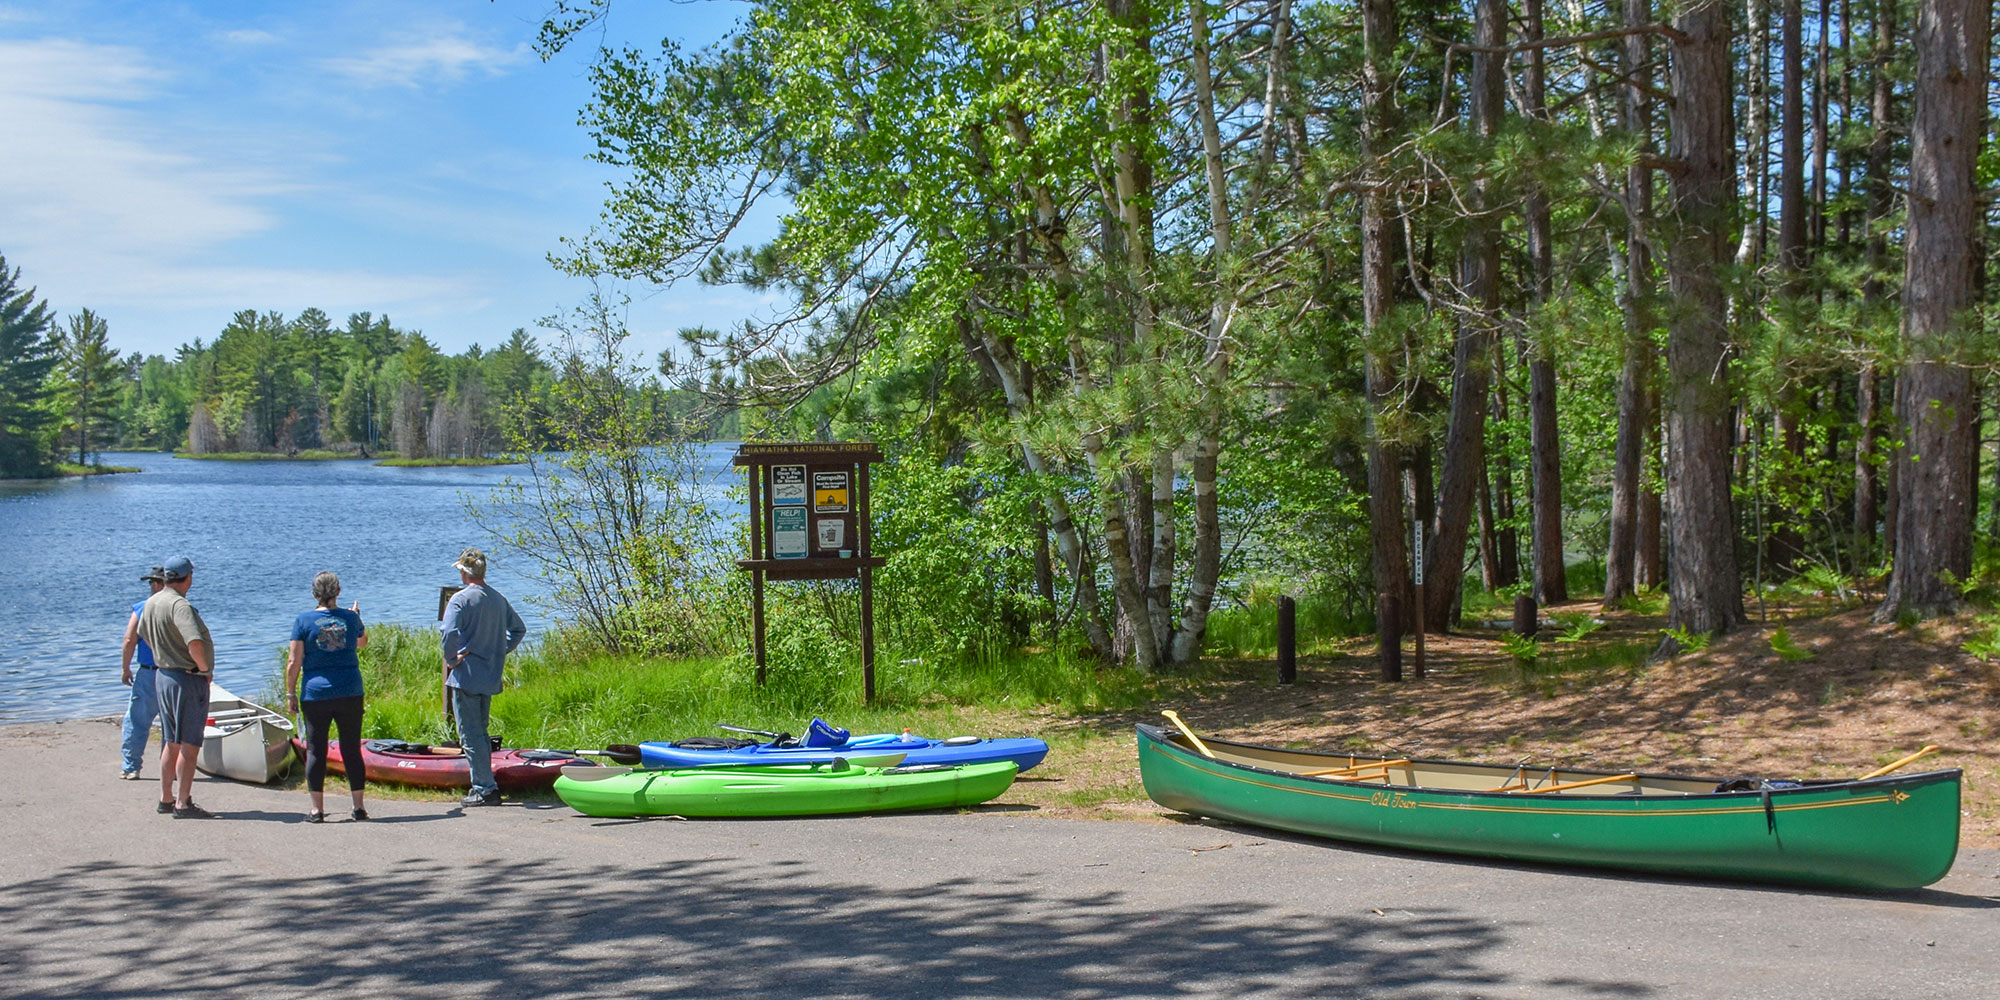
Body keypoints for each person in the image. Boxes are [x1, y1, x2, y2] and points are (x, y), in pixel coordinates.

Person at [440, 548, 526, 807]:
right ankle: (484, 781)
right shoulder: (498, 599)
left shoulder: (460, 600)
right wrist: (500, 650)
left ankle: (484, 788)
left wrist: (452, 659)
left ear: (465, 573)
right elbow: (518, 630)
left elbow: (448, 632)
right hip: (489, 675)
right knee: (481, 730)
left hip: (466, 676)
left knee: (469, 734)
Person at [285, 571, 369, 823]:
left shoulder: (303, 621)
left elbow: (293, 661)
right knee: (351, 749)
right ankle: (358, 807)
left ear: (314, 593)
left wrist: (290, 692)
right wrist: (357, 618)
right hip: (350, 690)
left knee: (316, 749)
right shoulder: (350, 618)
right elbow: (361, 643)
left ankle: (317, 810)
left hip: (316, 692)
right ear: (338, 592)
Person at [136, 556, 215, 819]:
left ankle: (165, 798)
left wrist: (164, 652)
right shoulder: (179, 606)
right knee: (189, 744)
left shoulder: (152, 602)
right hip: (186, 678)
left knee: (171, 741)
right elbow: (194, 641)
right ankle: (183, 803)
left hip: (163, 675)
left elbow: (144, 635)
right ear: (188, 578)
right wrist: (203, 669)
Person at [116, 566, 168, 779]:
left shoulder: (141, 609)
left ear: (156, 584)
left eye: (151, 583)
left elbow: (129, 640)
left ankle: (131, 766)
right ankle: (171, 769)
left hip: (148, 672)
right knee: (171, 725)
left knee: (137, 721)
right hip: (174, 672)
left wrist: (125, 668)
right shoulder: (182, 608)